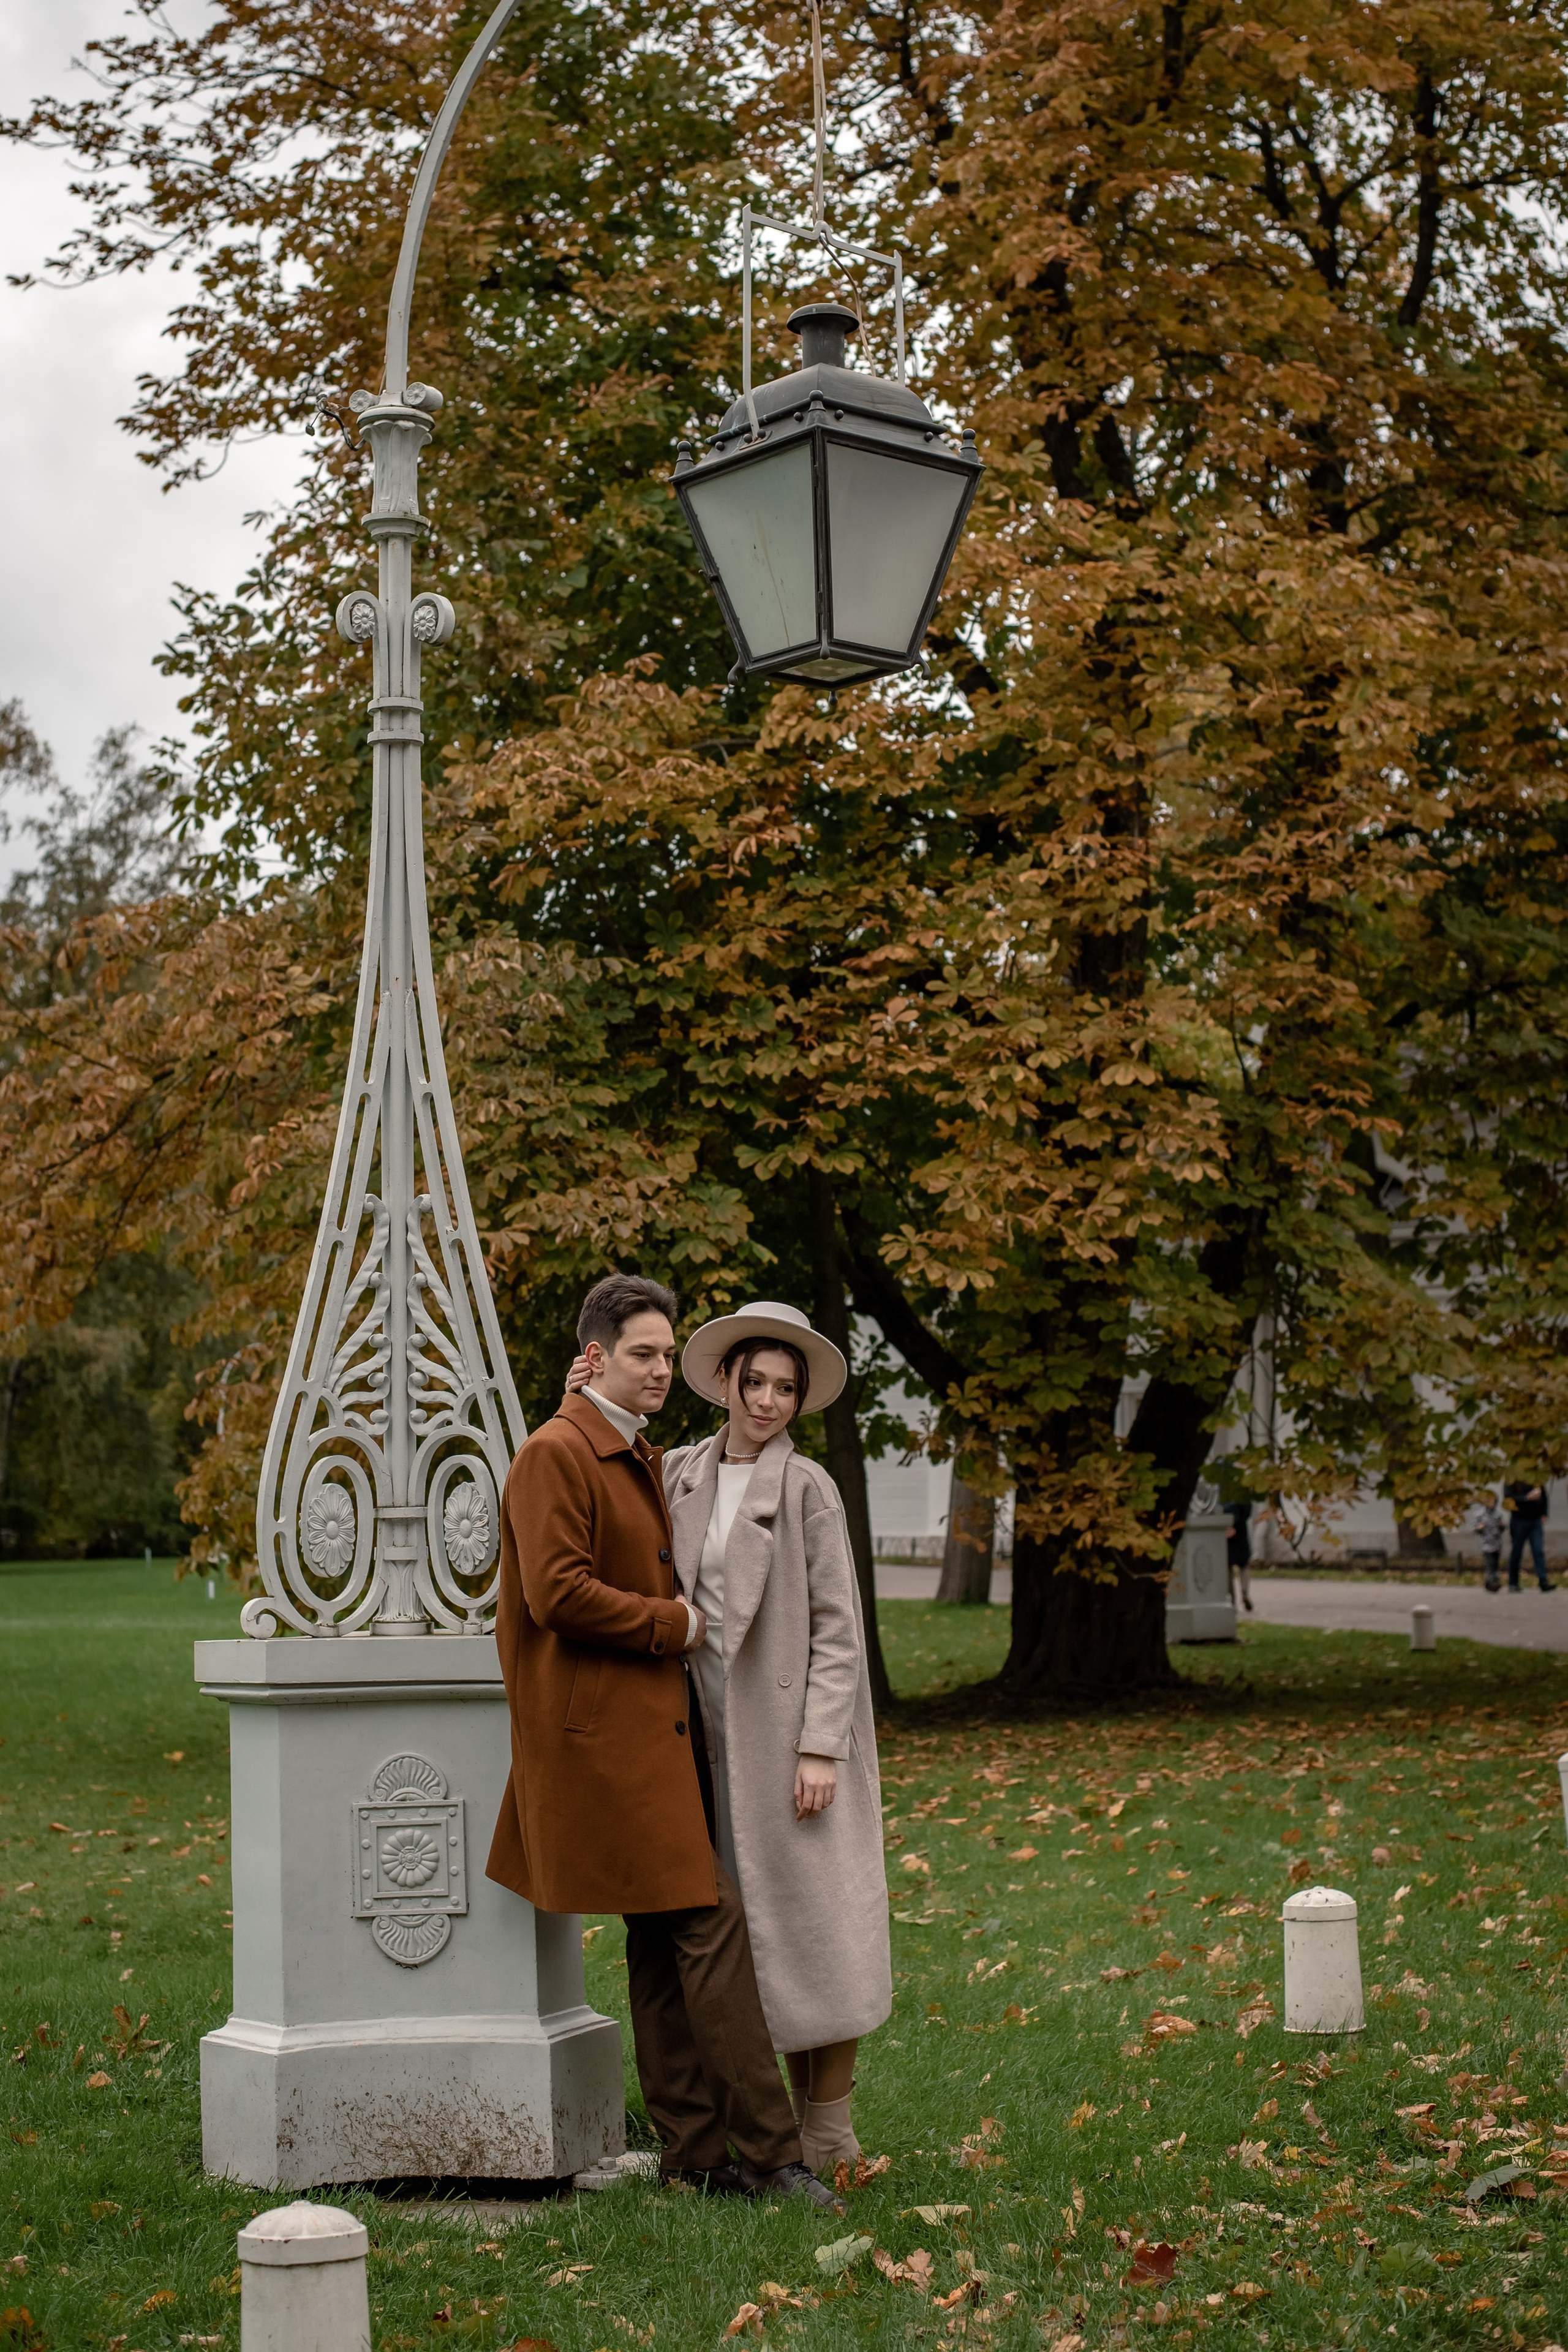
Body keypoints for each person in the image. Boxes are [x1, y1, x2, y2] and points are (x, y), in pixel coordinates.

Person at [486, 1272, 842, 2213]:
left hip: (653, 1735)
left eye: (663, 1352)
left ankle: (694, 2154)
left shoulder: (634, 1451)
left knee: (657, 1942)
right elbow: (555, 1594)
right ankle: (771, 2155)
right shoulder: (556, 1454)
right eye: (641, 1353)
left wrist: (586, 1389)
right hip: (608, 1745)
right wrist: (674, 1625)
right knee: (707, 1923)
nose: (659, 1368)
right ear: (598, 1355)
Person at [567, 1298, 892, 2183]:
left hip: (787, 1746)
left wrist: (821, 1745)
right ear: (726, 1382)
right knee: (737, 1938)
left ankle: (827, 2125)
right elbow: (592, 1484)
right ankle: (739, 2127)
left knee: (820, 1931)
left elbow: (840, 1629)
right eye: (755, 1382)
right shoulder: (675, 1471)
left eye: (786, 1389)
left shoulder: (809, 1488)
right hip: (696, 1741)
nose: (769, 1401)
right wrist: (578, 1397)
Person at [1504, 1477, 1556, 1594]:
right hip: (1519, 1520)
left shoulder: (1535, 1475)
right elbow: (1508, 1498)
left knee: (1538, 1551)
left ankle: (1543, 1581)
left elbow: (1544, 1496)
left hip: (1535, 1520)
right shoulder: (1512, 1477)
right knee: (1516, 1552)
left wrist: (1544, 1513)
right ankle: (1513, 1583)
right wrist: (1526, 1498)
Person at [1224, 1498, 1254, 1613]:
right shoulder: (1241, 1491)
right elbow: (1247, 1510)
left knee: (1227, 1568)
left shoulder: (1218, 1487)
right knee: (1244, 1565)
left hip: (1223, 1529)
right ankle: (1245, 1593)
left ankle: (1232, 1600)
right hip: (1240, 1529)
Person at [1473, 1493, 1505, 1593]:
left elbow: (1502, 1528)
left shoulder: (1497, 1514)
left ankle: (1488, 1584)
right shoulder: (1480, 1514)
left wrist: (1502, 1526)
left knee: (1495, 1565)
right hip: (1486, 1544)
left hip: (1497, 1543)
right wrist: (1479, 1528)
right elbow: (1474, 1528)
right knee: (1491, 1565)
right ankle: (1494, 1583)